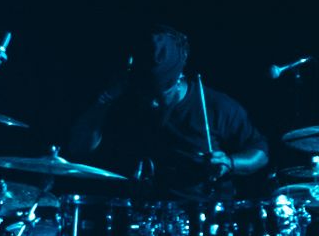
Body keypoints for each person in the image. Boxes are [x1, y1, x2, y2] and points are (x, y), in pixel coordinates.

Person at [73, 23, 268, 191]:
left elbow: (260, 152)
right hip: (140, 210)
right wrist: (104, 100)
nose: (152, 103)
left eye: (160, 96)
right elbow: (80, 147)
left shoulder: (217, 105)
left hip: (200, 211)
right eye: (146, 94)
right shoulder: (127, 98)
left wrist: (230, 163)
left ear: (178, 80)